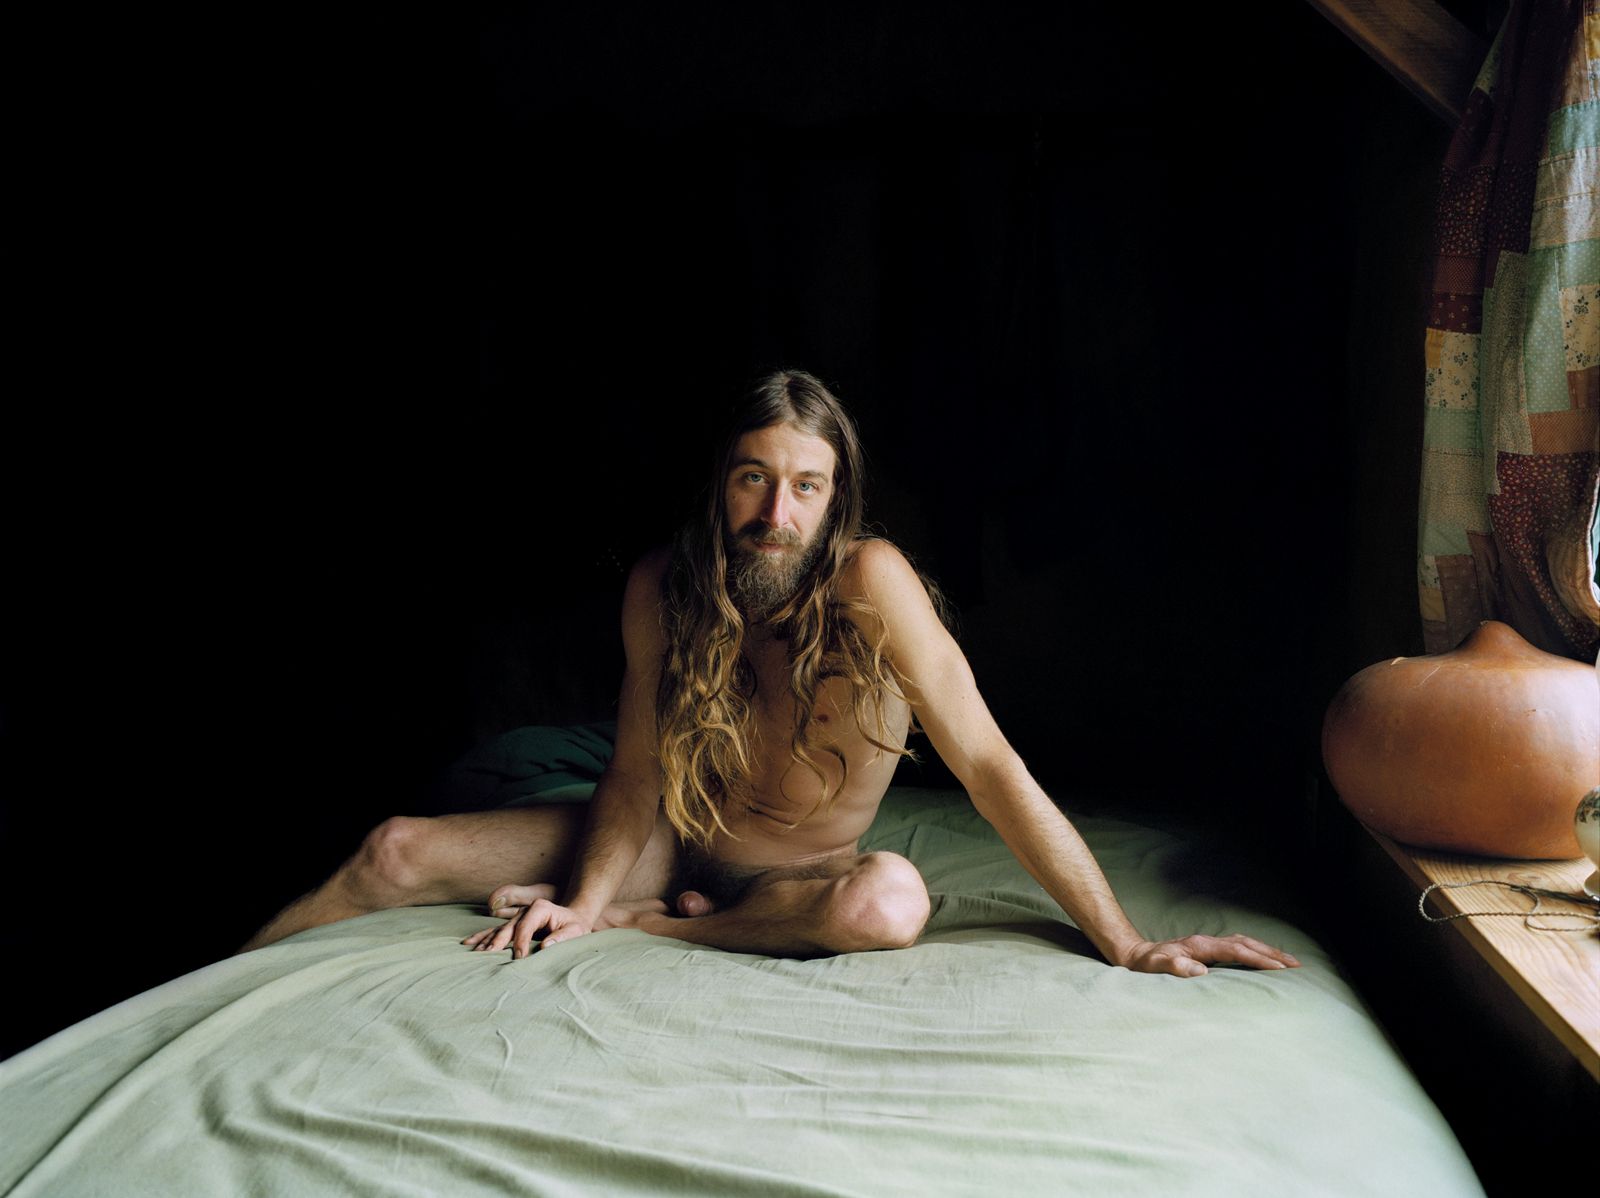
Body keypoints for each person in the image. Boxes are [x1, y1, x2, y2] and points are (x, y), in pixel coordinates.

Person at [243, 370, 1299, 977]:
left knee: (888, 905)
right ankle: (192, 996)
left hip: (795, 874)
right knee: (390, 852)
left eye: (803, 486)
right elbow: (634, 776)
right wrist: (582, 893)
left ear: (835, 502)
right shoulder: (666, 584)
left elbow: (987, 766)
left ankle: (659, 928)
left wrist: (1121, 940)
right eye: (754, 478)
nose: (774, 514)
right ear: (721, 484)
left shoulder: (874, 582)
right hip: (670, 840)